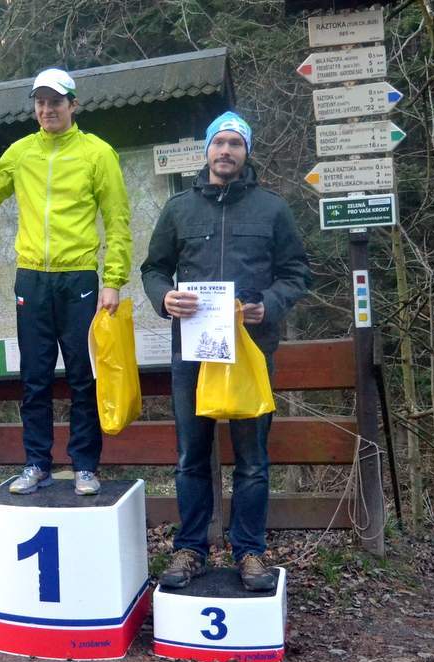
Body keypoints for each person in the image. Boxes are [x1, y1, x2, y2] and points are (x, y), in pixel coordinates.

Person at [140, 111, 310, 591]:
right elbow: (154, 269)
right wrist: (164, 298)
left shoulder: (272, 209)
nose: (226, 151)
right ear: (207, 150)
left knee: (252, 460)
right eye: (219, 143)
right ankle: (191, 549)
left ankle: (249, 552)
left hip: (250, 351)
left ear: (246, 152)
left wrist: (269, 305)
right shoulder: (178, 209)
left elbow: (297, 272)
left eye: (236, 143)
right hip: (192, 354)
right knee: (190, 457)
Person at [0, 68, 132, 496]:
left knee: (83, 377)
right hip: (32, 278)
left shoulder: (97, 153)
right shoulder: (20, 152)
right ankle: (37, 463)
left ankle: (85, 466)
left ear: (73, 105)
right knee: (34, 377)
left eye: (56, 101)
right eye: (40, 102)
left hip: (79, 278)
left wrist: (113, 280)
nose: (47, 109)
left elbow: (118, 220)